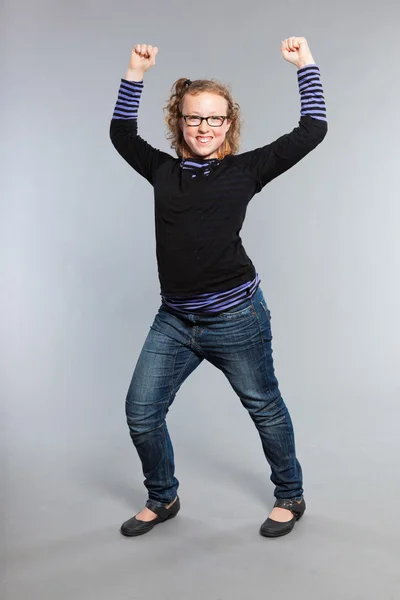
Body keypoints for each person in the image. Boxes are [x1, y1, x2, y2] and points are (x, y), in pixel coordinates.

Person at [109, 37, 327, 538]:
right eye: (193, 118)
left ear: (228, 124)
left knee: (264, 406)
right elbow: (122, 133)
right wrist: (134, 73)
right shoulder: (163, 172)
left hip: (236, 318)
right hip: (175, 320)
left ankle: (290, 496)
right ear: (179, 123)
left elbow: (312, 129)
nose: (203, 127)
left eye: (214, 118)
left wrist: (304, 64)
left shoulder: (245, 170)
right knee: (141, 414)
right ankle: (163, 497)